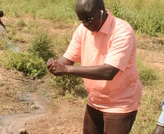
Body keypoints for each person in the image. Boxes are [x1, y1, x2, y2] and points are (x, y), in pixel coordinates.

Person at [47, 0, 143, 133]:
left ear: (102, 10)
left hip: (120, 103)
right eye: (82, 20)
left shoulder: (122, 31)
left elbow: (109, 71)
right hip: (95, 101)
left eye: (89, 19)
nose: (86, 24)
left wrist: (67, 70)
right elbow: (67, 60)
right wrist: (54, 64)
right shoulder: (82, 30)